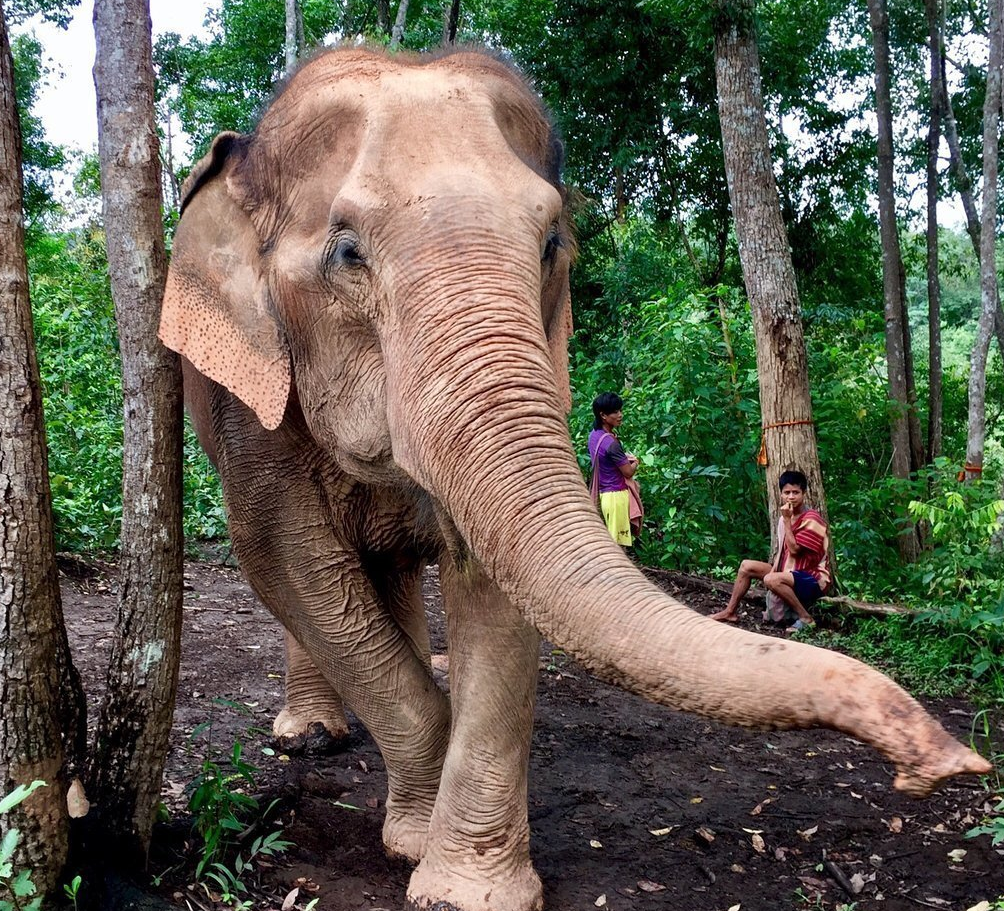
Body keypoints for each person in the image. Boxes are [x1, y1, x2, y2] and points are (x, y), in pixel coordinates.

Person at [709, 469, 830, 632]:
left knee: (771, 580)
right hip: (789, 571)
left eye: (796, 492)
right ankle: (730, 612)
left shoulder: (812, 520)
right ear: (781, 494)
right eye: (787, 492)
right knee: (746, 566)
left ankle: (806, 618)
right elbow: (782, 550)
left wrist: (787, 520)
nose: (791, 497)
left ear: (804, 493)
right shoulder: (783, 518)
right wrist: (773, 570)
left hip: (811, 578)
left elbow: (794, 551)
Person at [588, 392, 640, 547]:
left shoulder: (594, 436)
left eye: (620, 410)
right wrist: (636, 462)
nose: (620, 415)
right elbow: (628, 472)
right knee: (618, 547)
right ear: (603, 415)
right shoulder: (611, 443)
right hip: (617, 497)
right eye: (615, 412)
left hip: (603, 496)